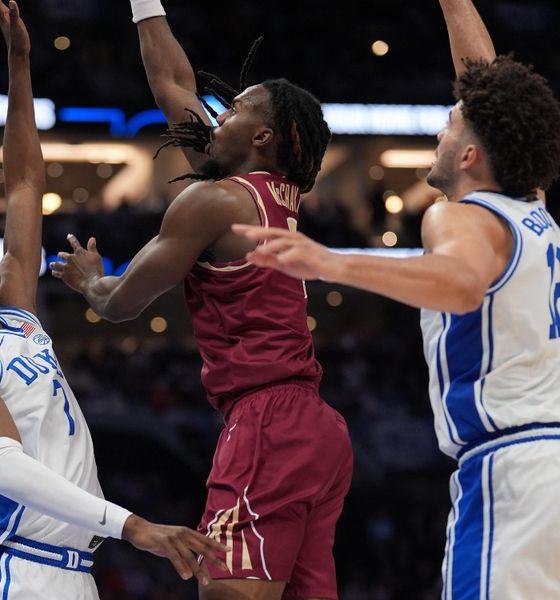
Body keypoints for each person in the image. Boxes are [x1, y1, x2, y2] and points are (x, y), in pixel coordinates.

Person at [0, 2, 224, 598]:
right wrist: (133, 526)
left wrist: (19, 66)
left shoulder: (15, 316)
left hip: (71, 571)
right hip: (14, 567)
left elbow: (24, 184)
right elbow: (4, 468)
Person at [233, 1, 560, 598]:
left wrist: (330, 262)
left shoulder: (459, 216)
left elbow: (461, 285)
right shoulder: (531, 204)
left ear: (468, 157)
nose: (440, 131)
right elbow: (486, 88)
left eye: (450, 127)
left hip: (515, 474)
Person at [50, 2, 352, 598]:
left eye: (234, 109)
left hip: (267, 420)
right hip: (316, 428)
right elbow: (172, 85)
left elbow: (119, 304)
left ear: (262, 135)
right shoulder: (271, 192)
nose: (218, 113)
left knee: (226, 591)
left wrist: (88, 279)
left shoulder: (214, 202)